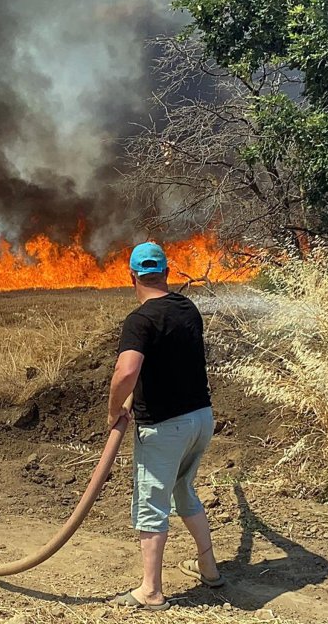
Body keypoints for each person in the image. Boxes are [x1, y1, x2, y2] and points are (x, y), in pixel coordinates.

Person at [106, 242, 223, 611]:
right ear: (167, 274)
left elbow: (126, 371)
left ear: (132, 277)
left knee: (151, 503)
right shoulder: (187, 308)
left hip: (165, 429)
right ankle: (210, 570)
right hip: (200, 419)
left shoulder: (140, 320)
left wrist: (114, 410)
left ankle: (151, 592)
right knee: (184, 490)